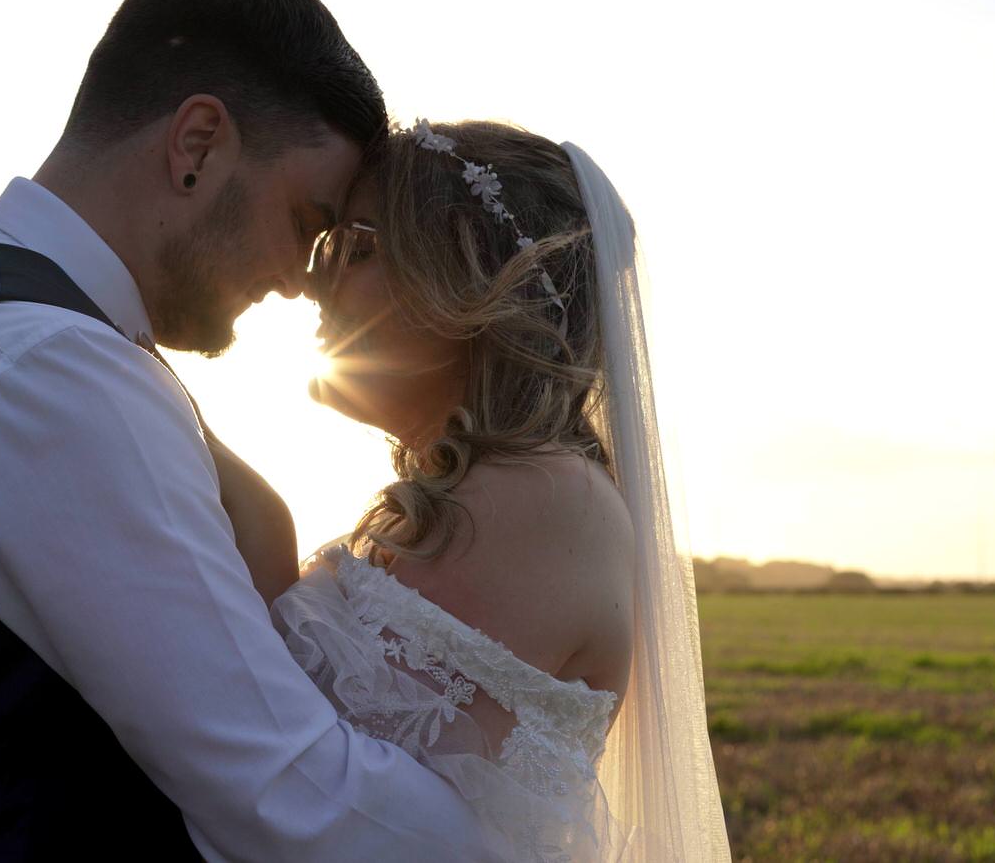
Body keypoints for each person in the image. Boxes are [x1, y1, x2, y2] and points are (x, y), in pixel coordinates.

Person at [0, 0, 501, 860]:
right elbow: (284, 792)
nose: (300, 281)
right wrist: (526, 836)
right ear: (197, 144)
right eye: (307, 221)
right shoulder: (52, 372)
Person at [232, 119, 732, 860]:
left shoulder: (543, 497)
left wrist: (227, 484)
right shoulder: (494, 488)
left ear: (468, 279)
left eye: (355, 247)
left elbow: (320, 793)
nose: (311, 280)